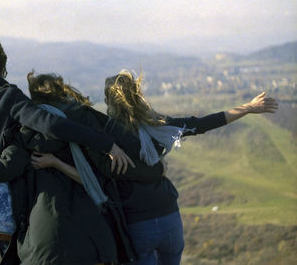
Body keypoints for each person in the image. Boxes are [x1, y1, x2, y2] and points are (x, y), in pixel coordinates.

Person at [0, 38, 133, 265]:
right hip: (10, 207)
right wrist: (106, 144)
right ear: (2, 68)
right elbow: (51, 124)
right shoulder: (8, 97)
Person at [0, 72, 166, 264]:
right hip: (91, 239)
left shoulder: (25, 134)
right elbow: (96, 179)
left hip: (44, 242)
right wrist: (154, 169)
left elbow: (1, 168)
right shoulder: (83, 126)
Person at [100, 70, 278, 265]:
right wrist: (248, 108)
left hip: (137, 224)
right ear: (137, 95)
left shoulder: (106, 136)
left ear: (110, 101)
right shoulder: (158, 125)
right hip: (170, 219)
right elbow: (201, 124)